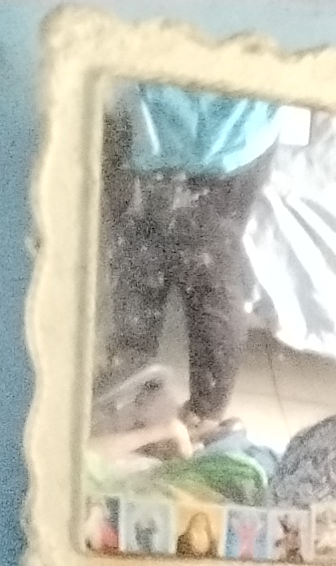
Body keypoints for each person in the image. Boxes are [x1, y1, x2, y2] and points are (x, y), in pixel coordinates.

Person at [96, 83, 281, 438]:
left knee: (146, 270)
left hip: (168, 127)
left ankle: (143, 407)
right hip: (236, 131)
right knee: (207, 269)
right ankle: (196, 418)